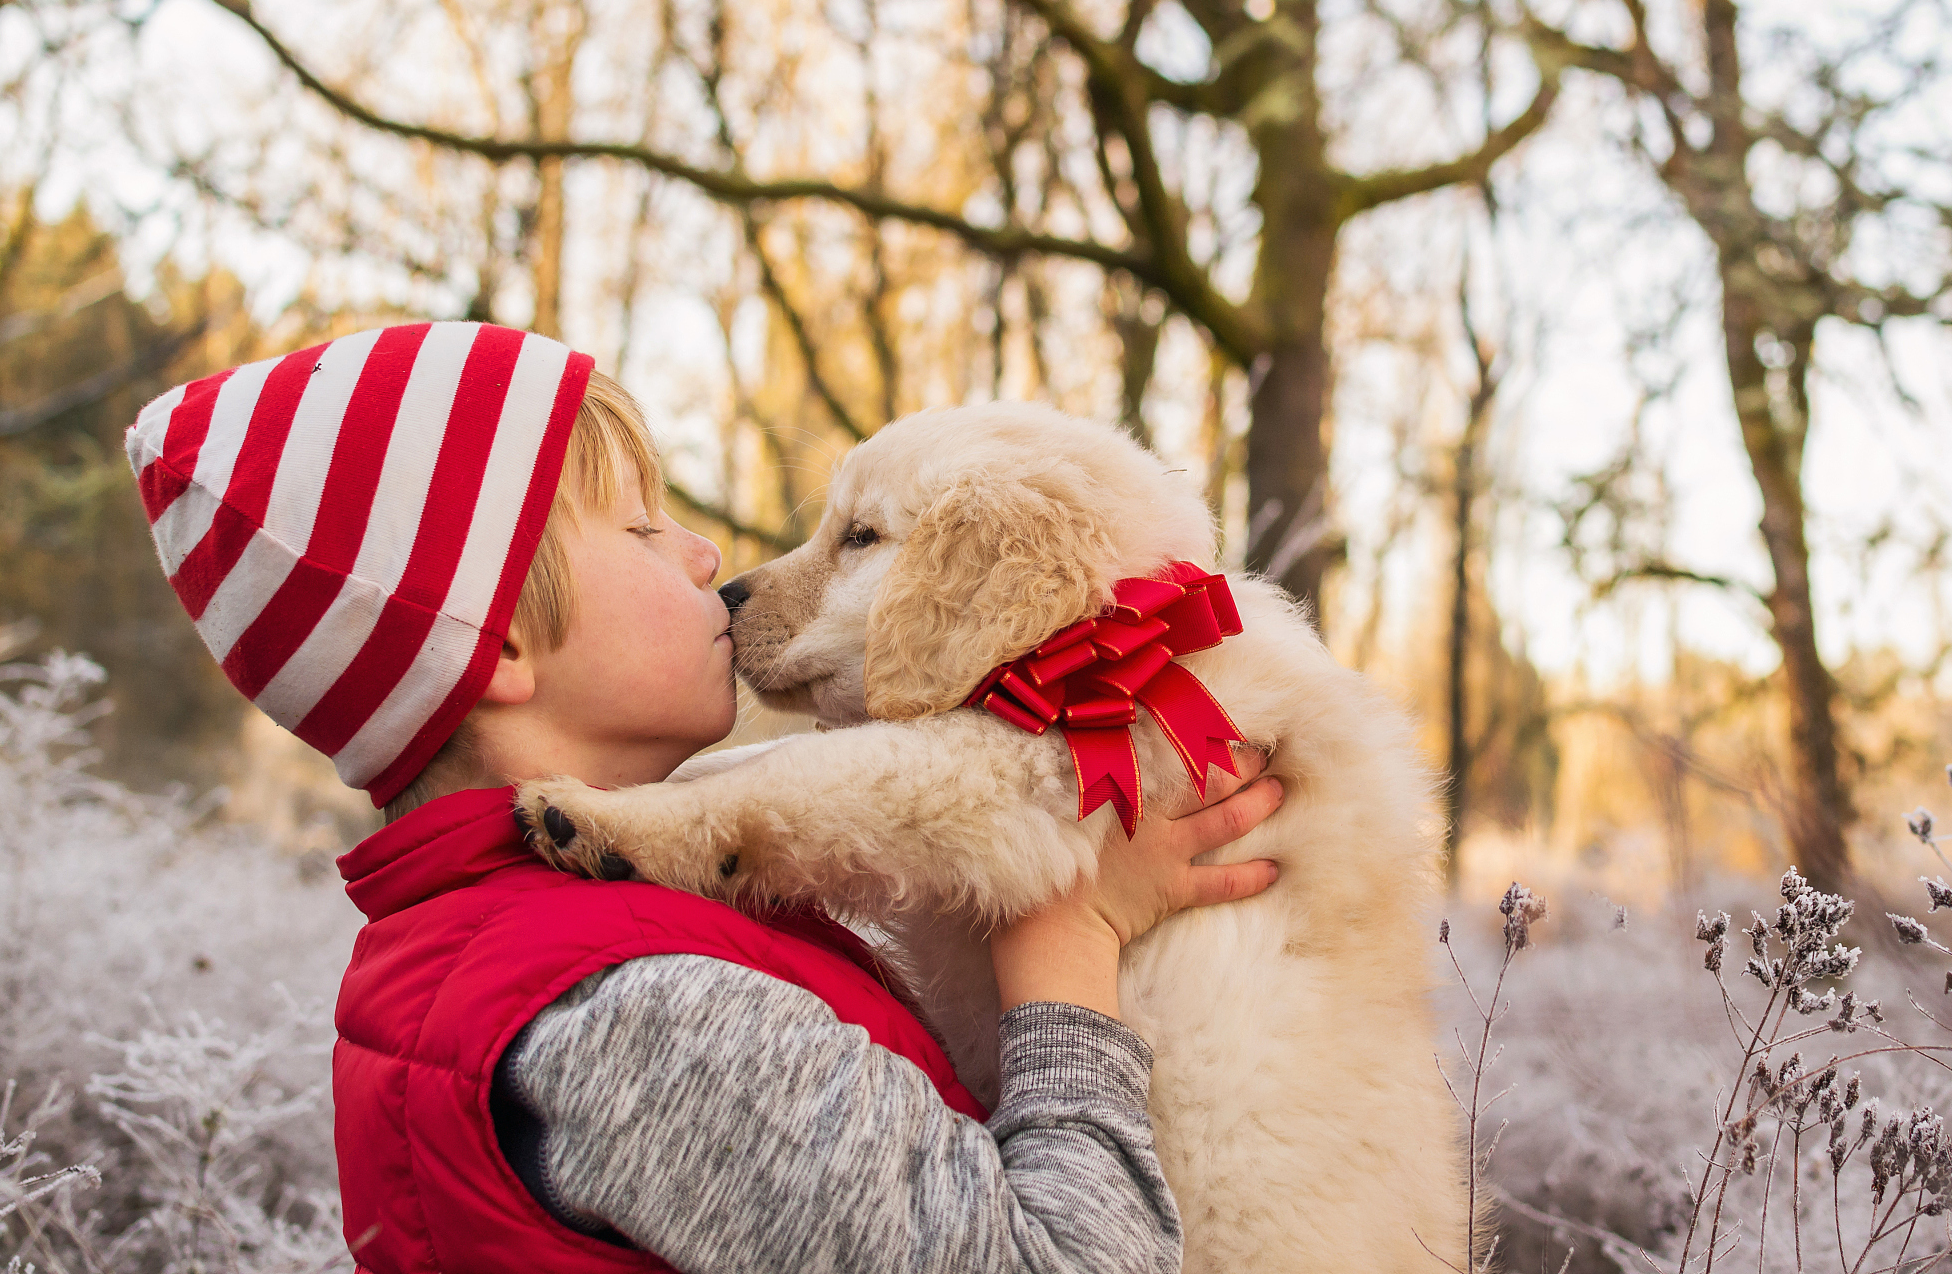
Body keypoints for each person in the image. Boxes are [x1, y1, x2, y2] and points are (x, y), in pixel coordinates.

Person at [127, 321, 1283, 1274]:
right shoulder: (630, 1021)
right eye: (640, 525)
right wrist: (1068, 941)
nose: (701, 553)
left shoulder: (557, 939)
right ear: (497, 648)